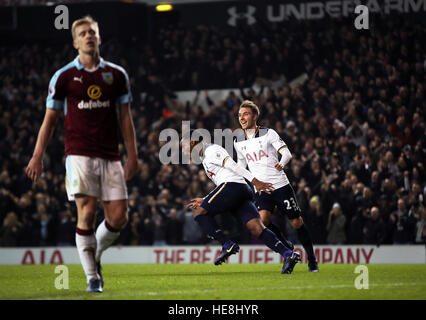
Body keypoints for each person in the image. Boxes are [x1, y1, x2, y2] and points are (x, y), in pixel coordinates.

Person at [25, 16, 139, 293]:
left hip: (110, 155)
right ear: (76, 42)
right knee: (87, 212)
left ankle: (94, 255)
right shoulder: (63, 77)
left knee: (119, 217)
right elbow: (50, 119)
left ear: (99, 38)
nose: (89, 36)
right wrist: (37, 154)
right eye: (83, 33)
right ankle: (93, 278)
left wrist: (132, 155)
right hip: (78, 155)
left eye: (93, 32)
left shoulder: (117, 75)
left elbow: (125, 117)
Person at [182, 135, 300, 274]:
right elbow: (223, 179)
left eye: (183, 146)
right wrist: (207, 199)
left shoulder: (212, 150)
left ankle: (226, 244)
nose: (183, 151)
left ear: (193, 142)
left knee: (199, 213)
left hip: (233, 187)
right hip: (238, 190)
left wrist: (255, 181)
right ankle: (288, 254)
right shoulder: (204, 157)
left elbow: (233, 166)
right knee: (256, 228)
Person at [233, 100, 319, 272]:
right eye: (240, 115)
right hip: (261, 189)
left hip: (280, 185)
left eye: (246, 114)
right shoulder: (238, 140)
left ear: (255, 116)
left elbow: (286, 153)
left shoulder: (268, 133)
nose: (242, 118)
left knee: (296, 222)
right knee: (262, 221)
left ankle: (312, 259)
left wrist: (282, 163)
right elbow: (241, 165)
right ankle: (286, 245)